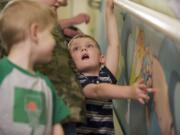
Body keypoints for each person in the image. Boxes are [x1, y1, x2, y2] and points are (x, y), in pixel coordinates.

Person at [0, 0, 90, 135]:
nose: (55, 40)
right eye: (51, 33)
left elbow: (56, 126)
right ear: (35, 32)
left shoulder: (45, 84)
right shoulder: (3, 72)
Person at [68, 0, 150, 134]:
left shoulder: (106, 75)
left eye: (89, 46)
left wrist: (108, 11)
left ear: (102, 58)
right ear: (70, 63)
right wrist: (129, 92)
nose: (83, 49)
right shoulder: (76, 81)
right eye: (76, 49)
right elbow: (97, 91)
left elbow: (114, 44)